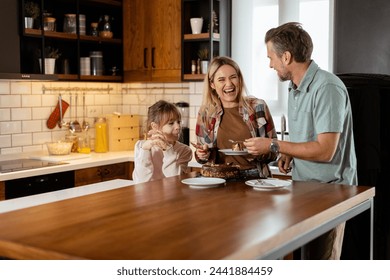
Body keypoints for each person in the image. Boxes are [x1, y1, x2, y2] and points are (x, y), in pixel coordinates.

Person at [244, 22, 358, 259]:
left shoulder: (326, 87)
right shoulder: (295, 88)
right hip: (304, 189)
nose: (270, 64)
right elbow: (308, 137)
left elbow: (326, 151)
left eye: (271, 58)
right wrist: (289, 153)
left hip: (330, 192)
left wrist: (275, 146)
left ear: (286, 57)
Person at [194, 56, 277, 178]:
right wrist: (202, 154)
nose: (229, 84)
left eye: (233, 77)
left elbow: (275, 150)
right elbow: (201, 156)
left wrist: (260, 152)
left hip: (254, 178)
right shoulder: (206, 113)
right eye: (221, 80)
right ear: (212, 84)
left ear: (239, 79)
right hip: (218, 179)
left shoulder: (258, 107)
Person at [132, 100, 193, 183]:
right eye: (171, 123)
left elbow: (176, 180)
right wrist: (144, 150)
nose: (178, 127)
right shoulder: (140, 146)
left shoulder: (185, 150)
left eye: (178, 122)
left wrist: (168, 150)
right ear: (155, 126)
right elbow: (140, 181)